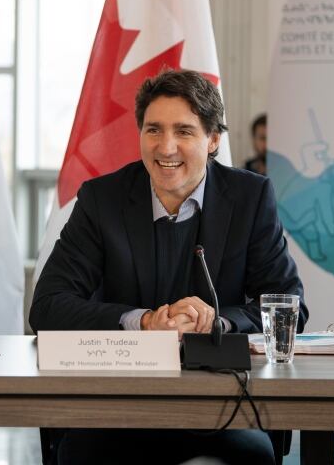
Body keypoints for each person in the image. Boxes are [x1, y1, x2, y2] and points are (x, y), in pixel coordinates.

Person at [30, 70, 307, 465]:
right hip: (117, 409)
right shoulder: (101, 199)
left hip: (222, 409)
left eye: (184, 131)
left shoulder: (250, 197)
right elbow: (46, 308)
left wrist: (218, 324)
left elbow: (289, 308)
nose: (167, 147)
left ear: (213, 140)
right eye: (154, 130)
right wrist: (142, 322)